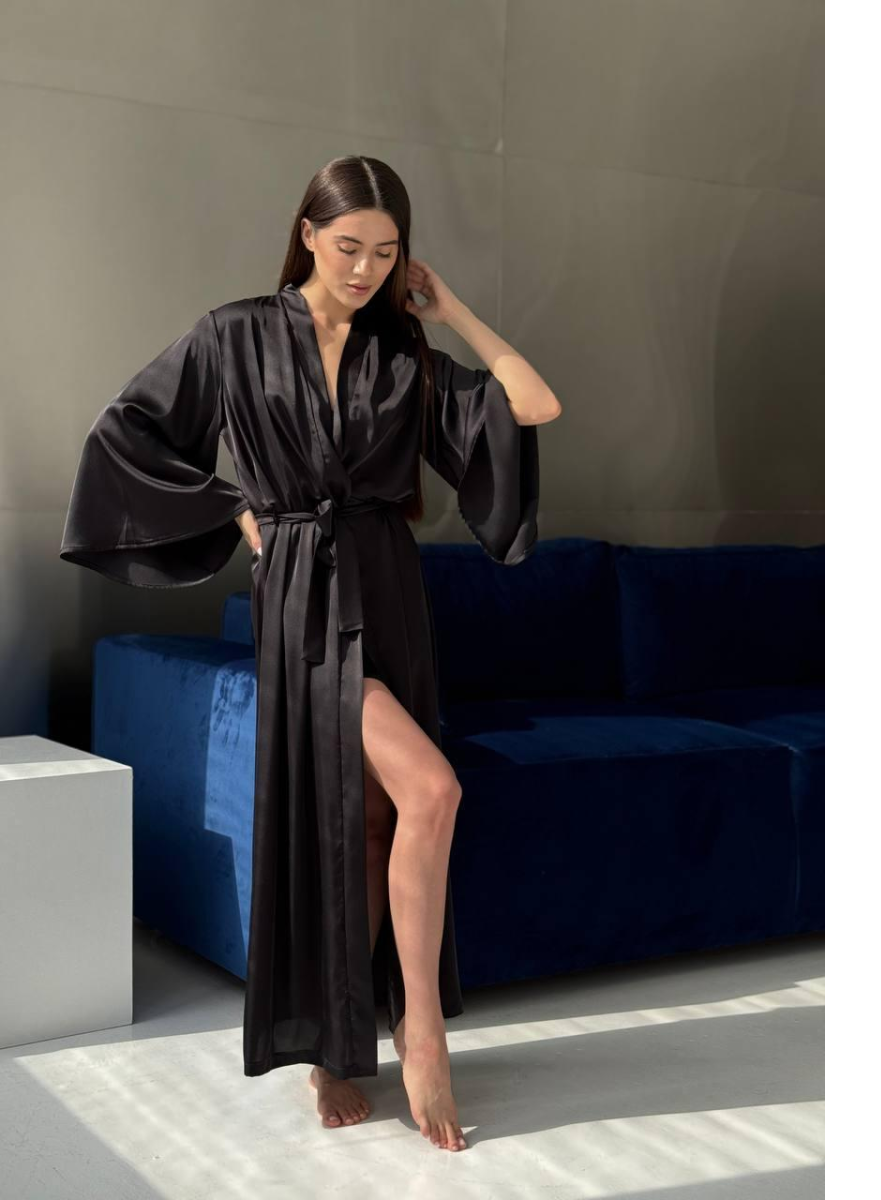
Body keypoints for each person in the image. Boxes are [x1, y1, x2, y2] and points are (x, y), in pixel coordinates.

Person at [60, 155, 561, 1152]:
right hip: (302, 595)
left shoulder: (401, 354)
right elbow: (125, 434)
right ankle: (422, 1033)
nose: (365, 269)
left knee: (379, 821)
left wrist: (452, 310)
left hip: (390, 590)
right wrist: (235, 509)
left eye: (386, 252)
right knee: (432, 790)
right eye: (347, 247)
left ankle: (347, 1041)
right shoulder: (235, 334)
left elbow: (533, 404)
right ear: (306, 235)